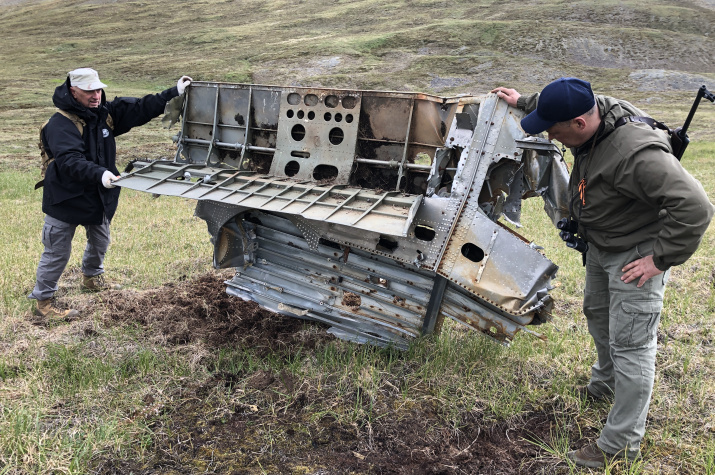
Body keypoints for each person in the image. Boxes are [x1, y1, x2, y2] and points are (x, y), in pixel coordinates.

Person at [492, 78, 713, 468]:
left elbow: (695, 207)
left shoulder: (636, 153)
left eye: (552, 128)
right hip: (602, 244)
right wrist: (524, 102)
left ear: (578, 125)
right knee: (597, 315)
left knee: (632, 345)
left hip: (635, 252)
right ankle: (605, 384)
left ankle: (620, 445)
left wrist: (659, 260)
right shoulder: (597, 109)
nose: (548, 133)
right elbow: (561, 101)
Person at [29, 68, 192, 320]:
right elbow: (70, 160)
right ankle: (43, 303)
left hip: (98, 195)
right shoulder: (59, 124)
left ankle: (92, 278)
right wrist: (101, 174)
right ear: (73, 92)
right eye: (89, 91)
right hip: (65, 197)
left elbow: (140, 108)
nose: (96, 95)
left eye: (98, 89)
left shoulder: (104, 113)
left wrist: (174, 92)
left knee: (100, 241)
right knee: (57, 252)